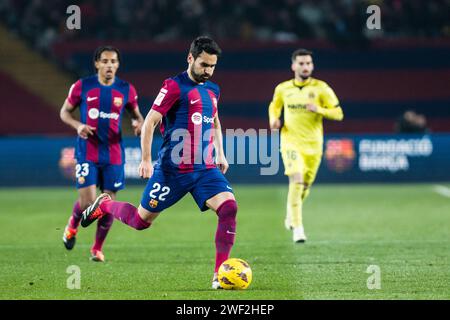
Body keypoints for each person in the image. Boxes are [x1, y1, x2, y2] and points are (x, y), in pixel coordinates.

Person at [80, 36, 237, 289]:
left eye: (212, 66)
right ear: (190, 58)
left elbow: (215, 120)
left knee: (229, 208)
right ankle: (106, 205)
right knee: (140, 222)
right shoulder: (174, 86)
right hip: (172, 171)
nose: (208, 71)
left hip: (205, 168)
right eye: (203, 65)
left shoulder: (213, 90)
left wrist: (220, 152)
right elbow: (151, 121)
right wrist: (145, 159)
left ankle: (220, 273)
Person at [60, 46, 144, 262]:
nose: (109, 65)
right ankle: (72, 225)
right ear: (97, 63)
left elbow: (138, 117)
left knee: (107, 205)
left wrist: (138, 124)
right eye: (105, 61)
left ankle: (97, 248)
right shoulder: (82, 86)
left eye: (113, 61)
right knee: (88, 203)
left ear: (118, 65)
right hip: (87, 150)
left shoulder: (126, 89)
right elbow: (64, 112)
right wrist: (78, 126)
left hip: (114, 153)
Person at [268, 49, 344, 243]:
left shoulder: (321, 88)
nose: (305, 66)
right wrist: (274, 120)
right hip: (290, 141)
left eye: (308, 63)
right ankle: (298, 228)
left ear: (312, 66)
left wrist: (318, 109)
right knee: (297, 179)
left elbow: (338, 113)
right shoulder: (283, 88)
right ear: (293, 66)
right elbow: (274, 107)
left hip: (314, 145)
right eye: (301, 63)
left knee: (305, 186)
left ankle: (290, 214)